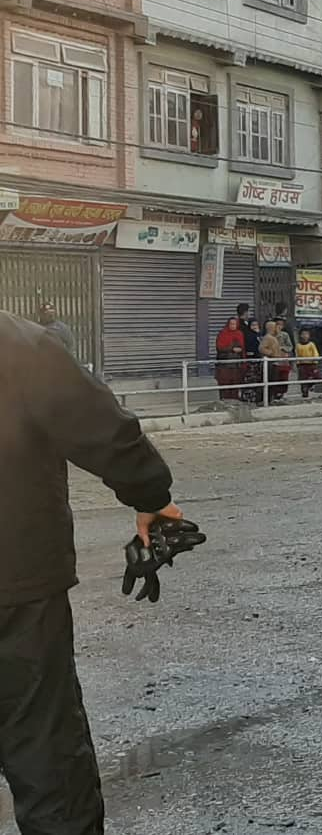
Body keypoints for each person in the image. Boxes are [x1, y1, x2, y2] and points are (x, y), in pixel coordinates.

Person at [3, 308, 183, 835]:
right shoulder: (15, 343)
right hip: (16, 580)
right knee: (43, 746)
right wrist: (150, 494)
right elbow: (98, 424)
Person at [259, 319, 293, 403]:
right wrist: (271, 353)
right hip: (271, 363)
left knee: (279, 380)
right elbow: (261, 348)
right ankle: (269, 399)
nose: (277, 328)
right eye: (275, 326)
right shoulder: (268, 337)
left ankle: (276, 397)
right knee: (271, 381)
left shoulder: (279, 336)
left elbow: (290, 346)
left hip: (280, 361)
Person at [214, 316, 246, 402]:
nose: (233, 325)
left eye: (234, 324)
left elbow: (242, 347)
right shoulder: (223, 333)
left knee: (235, 382)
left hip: (236, 364)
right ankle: (224, 400)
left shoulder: (239, 333)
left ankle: (235, 400)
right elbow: (219, 347)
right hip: (225, 363)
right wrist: (231, 348)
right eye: (231, 324)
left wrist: (240, 350)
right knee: (225, 383)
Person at [294, 328, 322, 398]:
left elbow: (315, 353)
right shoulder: (298, 345)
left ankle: (310, 385)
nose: (305, 336)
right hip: (302, 364)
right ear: (300, 335)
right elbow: (297, 354)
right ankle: (304, 392)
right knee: (303, 379)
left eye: (306, 334)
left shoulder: (311, 344)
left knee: (316, 377)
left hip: (311, 364)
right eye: (303, 334)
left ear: (309, 336)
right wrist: (298, 362)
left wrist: (315, 361)